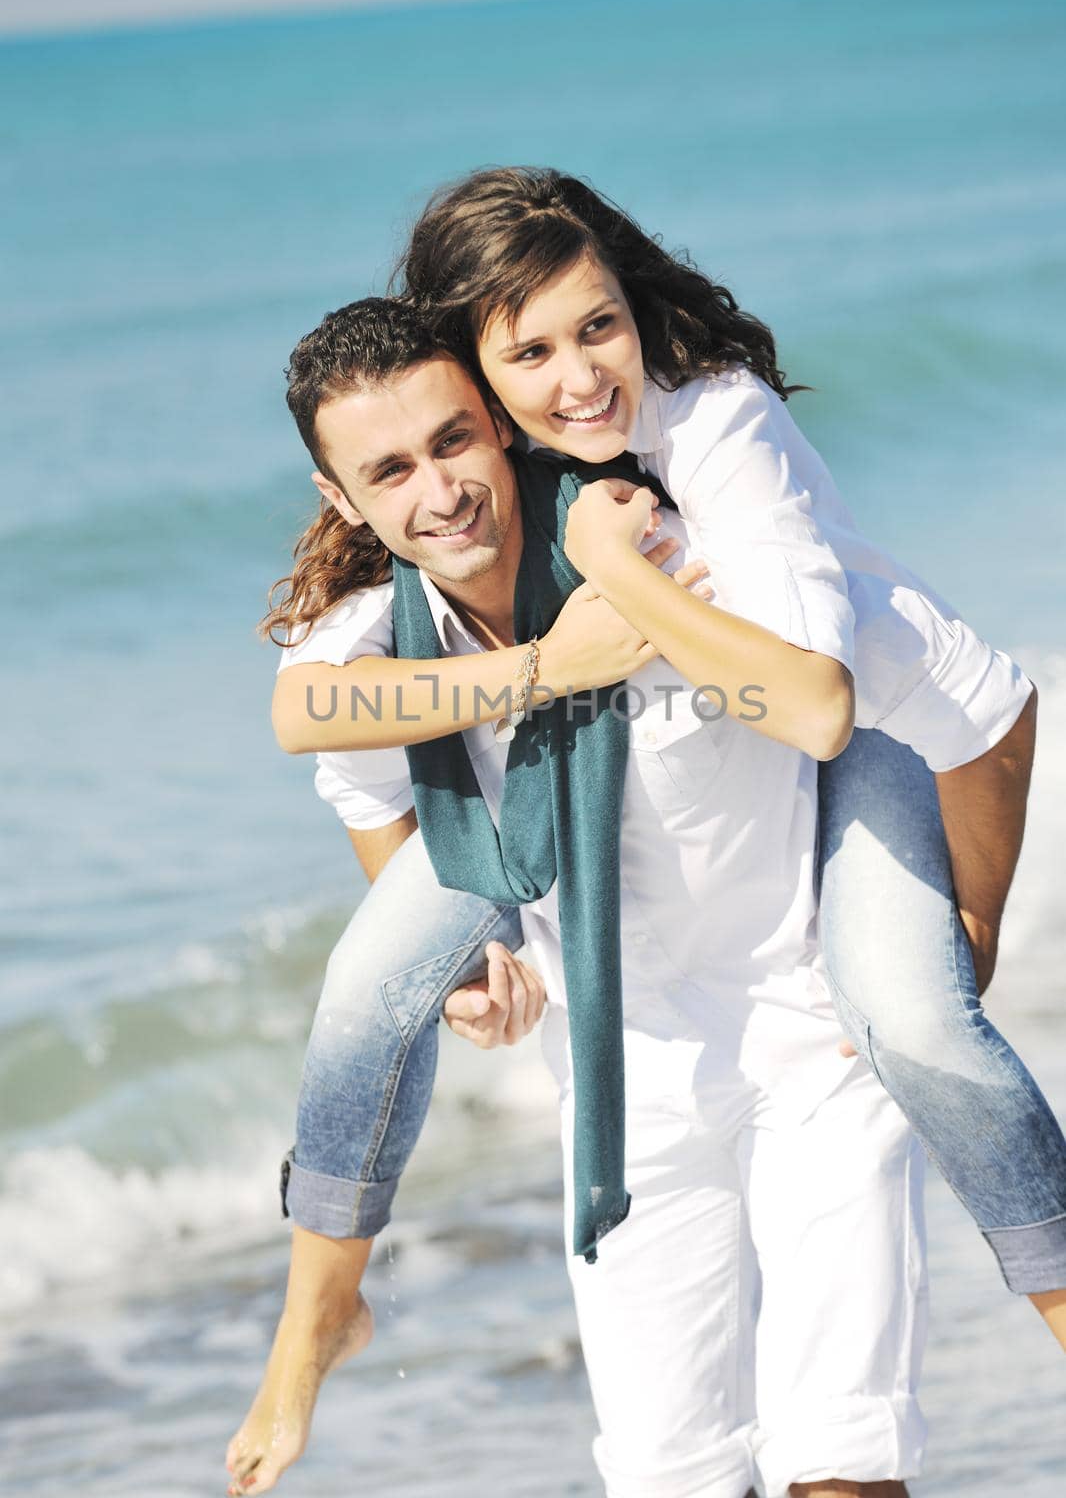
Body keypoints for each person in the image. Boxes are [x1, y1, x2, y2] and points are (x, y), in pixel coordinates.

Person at [233, 298, 930, 1498]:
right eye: (389, 471)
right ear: (341, 498)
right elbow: (341, 769)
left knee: (841, 1463)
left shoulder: (653, 542)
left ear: (499, 426)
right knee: (670, 1478)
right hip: (618, 1077)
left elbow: (882, 678)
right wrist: (474, 965)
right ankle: (320, 1308)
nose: (439, 492)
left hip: (805, 1032)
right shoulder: (376, 645)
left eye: (454, 440)